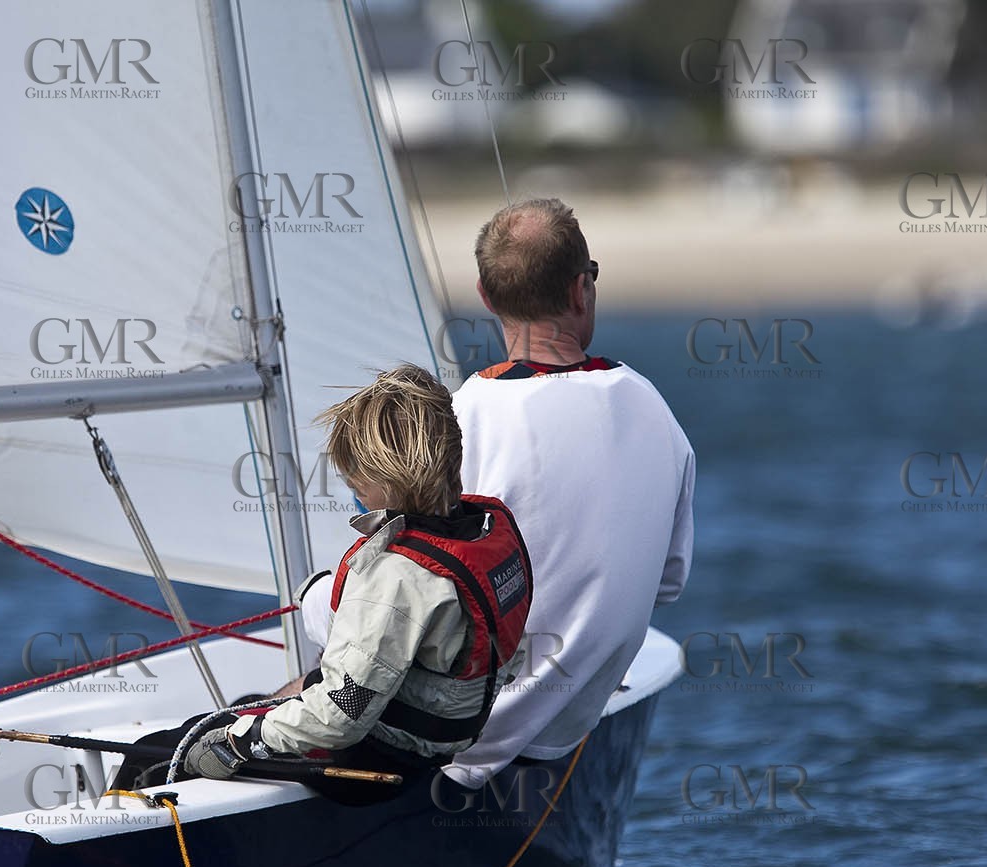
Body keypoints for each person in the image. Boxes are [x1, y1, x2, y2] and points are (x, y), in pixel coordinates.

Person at [181, 365, 533, 795]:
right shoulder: (483, 529)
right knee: (244, 707)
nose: (348, 484)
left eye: (355, 477)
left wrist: (241, 742)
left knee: (175, 744)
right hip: (444, 735)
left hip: (380, 757)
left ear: (390, 477)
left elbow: (340, 715)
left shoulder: (396, 576)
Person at [442, 198, 695, 789]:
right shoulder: (654, 410)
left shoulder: (462, 417)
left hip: (461, 730)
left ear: (485, 295)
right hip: (566, 728)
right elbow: (669, 582)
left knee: (320, 600)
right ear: (582, 289)